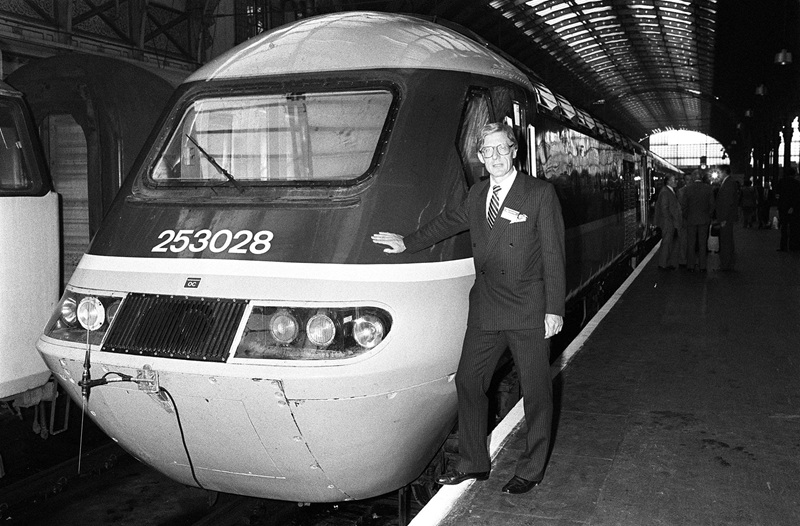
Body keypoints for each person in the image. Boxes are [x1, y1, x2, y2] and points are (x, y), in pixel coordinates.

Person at [371, 122, 566, 495]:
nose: (495, 156)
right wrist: (407, 243)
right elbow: (447, 223)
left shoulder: (539, 193)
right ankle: (474, 462)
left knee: (536, 391)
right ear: (480, 157)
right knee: (468, 381)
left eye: (501, 148)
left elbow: (554, 254)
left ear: (514, 151)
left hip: (528, 308)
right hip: (486, 306)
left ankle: (532, 468)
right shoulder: (478, 194)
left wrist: (553, 309)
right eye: (487, 151)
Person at [680, 169, 715, 272]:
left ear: (693, 177)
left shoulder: (688, 189)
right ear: (701, 177)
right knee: (702, 244)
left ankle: (690, 266)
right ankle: (702, 266)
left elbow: (683, 205)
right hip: (704, 220)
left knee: (691, 243)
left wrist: (687, 216)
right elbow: (712, 205)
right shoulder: (708, 188)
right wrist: (708, 216)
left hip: (691, 220)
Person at [654, 174, 682, 270]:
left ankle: (665, 262)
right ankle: (663, 264)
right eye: (674, 180)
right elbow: (664, 207)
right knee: (666, 243)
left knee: (669, 243)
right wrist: (669, 221)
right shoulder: (665, 192)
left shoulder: (668, 191)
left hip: (669, 222)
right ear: (668, 181)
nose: (676, 181)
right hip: (668, 222)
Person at [714, 167, 739, 270]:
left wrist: (723, 219)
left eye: (719, 172)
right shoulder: (729, 182)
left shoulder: (728, 183)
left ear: (724, 172)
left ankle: (725, 264)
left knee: (725, 241)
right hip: (728, 217)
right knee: (728, 240)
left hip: (726, 218)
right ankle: (729, 263)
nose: (718, 174)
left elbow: (727, 202)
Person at [776, 168, 800, 251]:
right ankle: (793, 245)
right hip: (793, 208)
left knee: (784, 227)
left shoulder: (781, 182)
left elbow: (778, 194)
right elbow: (797, 197)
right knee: (794, 227)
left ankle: (783, 246)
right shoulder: (796, 183)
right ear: (794, 174)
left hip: (783, 207)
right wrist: (793, 206)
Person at [676, 173, 692, 268]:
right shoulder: (681, 191)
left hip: (688, 219)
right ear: (684, 181)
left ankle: (686, 260)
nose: (689, 182)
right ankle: (684, 259)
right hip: (686, 220)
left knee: (687, 241)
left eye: (690, 180)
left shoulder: (681, 191)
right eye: (687, 180)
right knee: (685, 241)